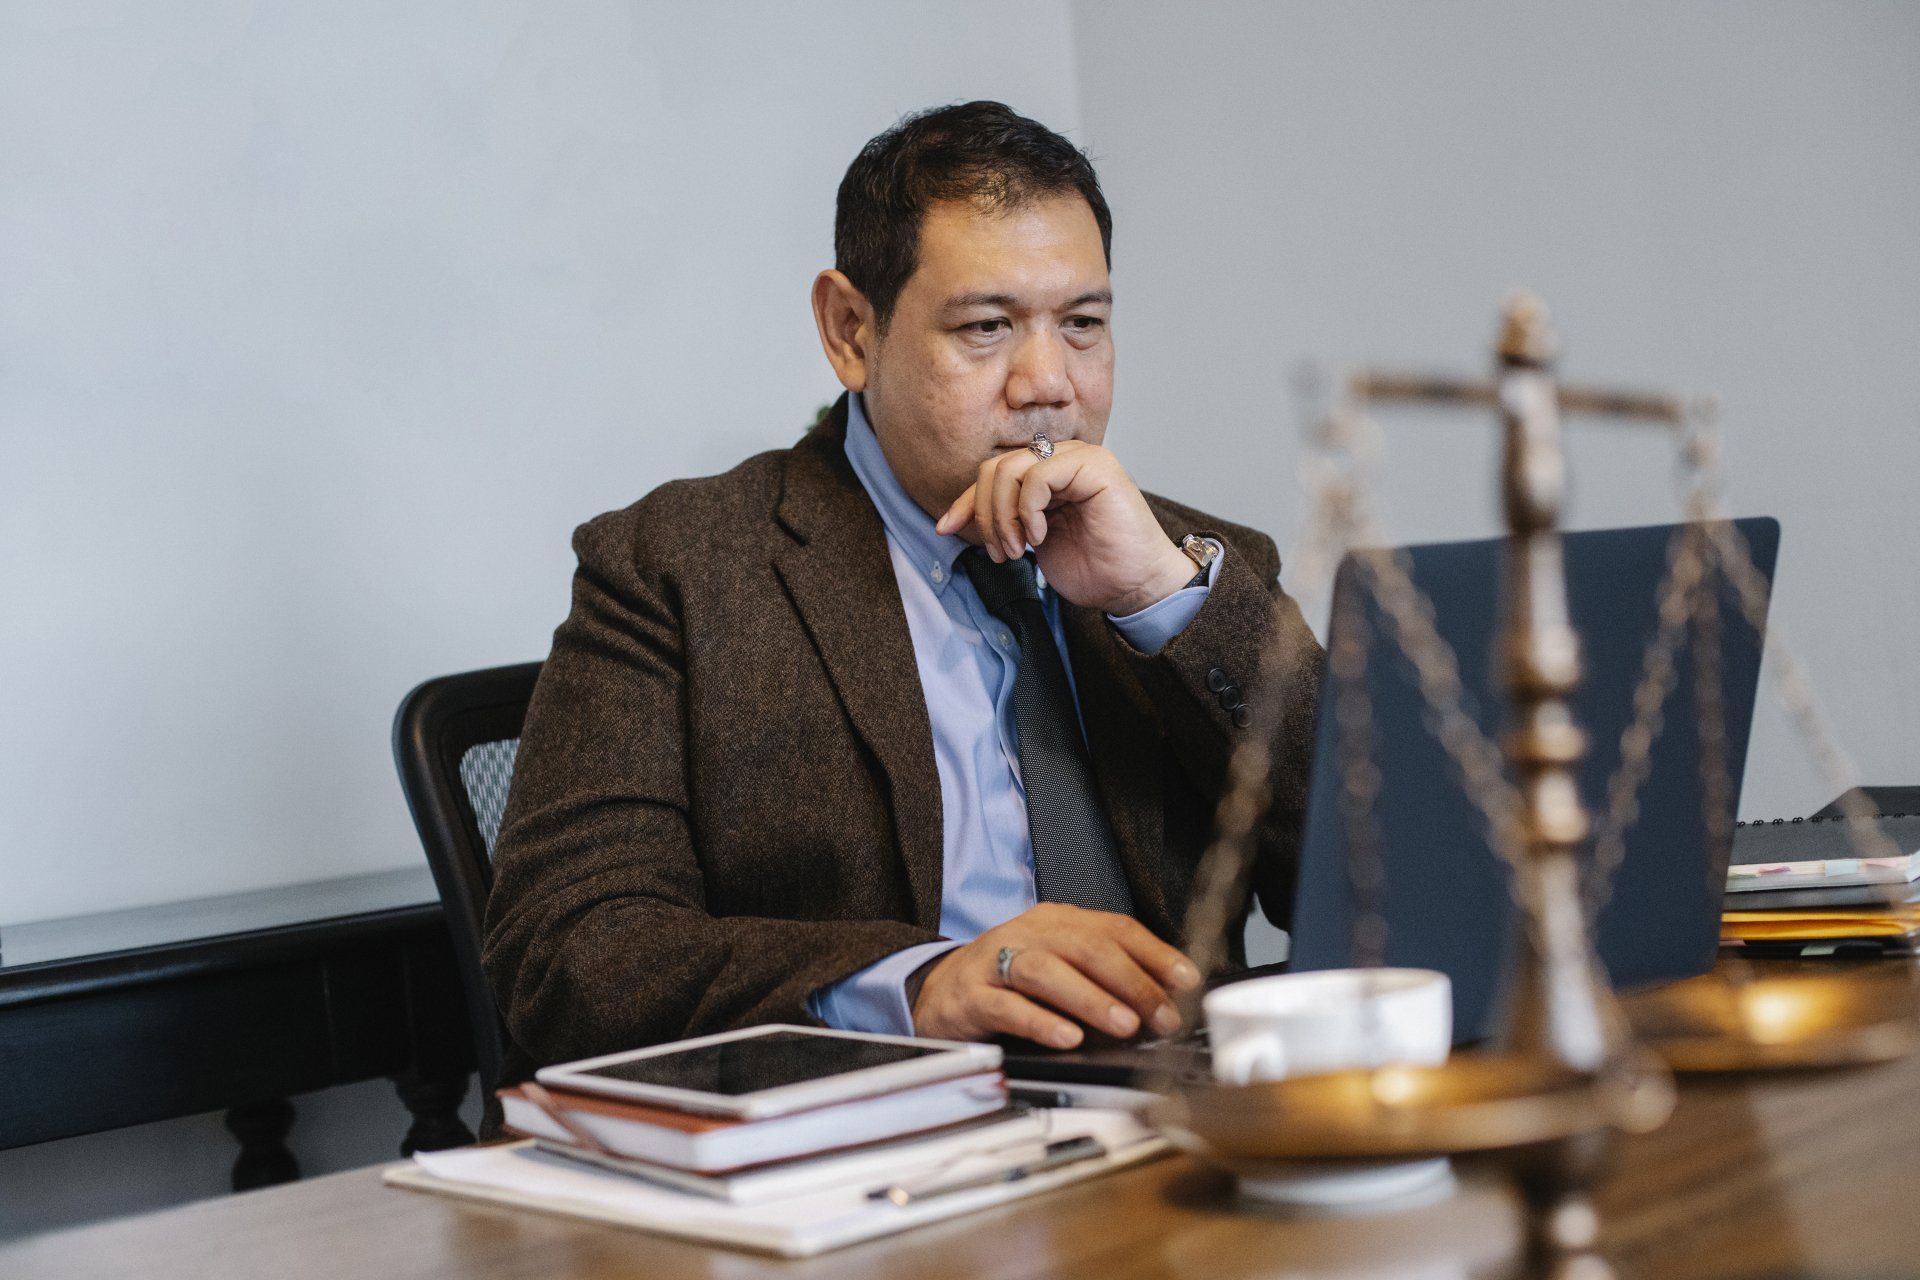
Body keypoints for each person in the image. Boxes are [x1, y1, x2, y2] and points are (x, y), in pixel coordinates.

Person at [482, 101, 1322, 1081]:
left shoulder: (1195, 564)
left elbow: (1392, 873)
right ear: (850, 330)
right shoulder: (676, 568)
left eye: (1083, 324)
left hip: (1177, 1129)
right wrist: (917, 985)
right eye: (987, 326)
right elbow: (569, 951)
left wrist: (1163, 602)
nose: (1049, 382)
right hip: (865, 1145)